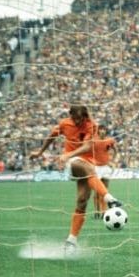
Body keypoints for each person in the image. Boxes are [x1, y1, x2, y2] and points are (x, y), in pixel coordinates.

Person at [29, 105, 123, 250]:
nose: (78, 121)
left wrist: (68, 154)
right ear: (71, 116)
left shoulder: (92, 126)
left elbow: (86, 147)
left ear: (85, 116)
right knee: (87, 168)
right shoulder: (64, 124)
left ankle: (71, 241)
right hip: (73, 162)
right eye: (75, 118)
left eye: (81, 118)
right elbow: (52, 136)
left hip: (85, 161)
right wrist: (40, 152)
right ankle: (109, 199)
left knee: (82, 201)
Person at [92, 124, 118, 219]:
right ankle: (96, 211)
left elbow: (115, 150)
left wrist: (112, 161)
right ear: (98, 131)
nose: (102, 131)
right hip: (96, 168)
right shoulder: (94, 140)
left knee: (105, 191)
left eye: (104, 129)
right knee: (96, 192)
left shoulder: (110, 140)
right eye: (101, 129)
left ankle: (104, 211)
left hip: (106, 167)